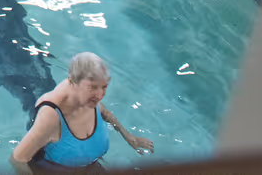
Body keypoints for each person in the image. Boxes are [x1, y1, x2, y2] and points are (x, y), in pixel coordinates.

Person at [10, 52, 154, 173]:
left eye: (104, 86)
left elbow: (107, 114)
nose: (100, 95)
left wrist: (129, 137)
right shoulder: (51, 117)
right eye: (93, 87)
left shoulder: (90, 100)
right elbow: (17, 159)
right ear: (73, 83)